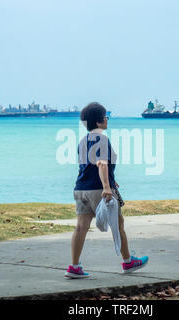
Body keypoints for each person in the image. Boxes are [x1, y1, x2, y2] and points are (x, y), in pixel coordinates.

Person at [65, 102, 149, 278]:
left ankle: (74, 266)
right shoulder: (102, 139)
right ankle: (128, 262)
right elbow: (101, 163)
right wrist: (106, 187)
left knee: (81, 227)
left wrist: (111, 179)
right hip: (98, 190)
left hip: (81, 189)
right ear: (99, 122)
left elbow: (90, 165)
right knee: (118, 224)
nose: (107, 119)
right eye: (105, 116)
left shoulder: (83, 141)